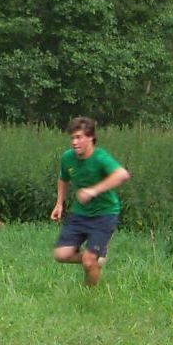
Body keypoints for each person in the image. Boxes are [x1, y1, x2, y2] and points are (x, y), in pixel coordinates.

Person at [50, 116, 131, 287]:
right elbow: (63, 178)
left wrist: (93, 190)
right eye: (72, 138)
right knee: (61, 255)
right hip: (80, 213)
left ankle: (89, 294)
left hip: (104, 214)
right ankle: (95, 258)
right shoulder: (68, 158)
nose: (74, 142)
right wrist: (59, 203)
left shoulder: (100, 157)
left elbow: (122, 174)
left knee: (88, 262)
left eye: (79, 137)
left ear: (91, 137)